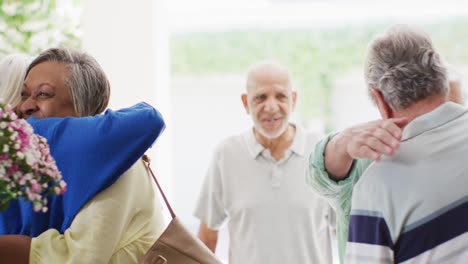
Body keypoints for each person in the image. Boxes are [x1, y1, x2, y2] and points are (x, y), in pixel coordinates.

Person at [306, 37, 466, 264]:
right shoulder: (367, 162)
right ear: (442, 83)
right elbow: (320, 175)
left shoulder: (377, 186)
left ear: (380, 100)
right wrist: (342, 143)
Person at [0, 48, 166, 263]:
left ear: (83, 105)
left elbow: (78, 257)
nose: (26, 106)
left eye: (43, 94)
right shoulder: (47, 165)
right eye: (24, 94)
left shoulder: (117, 162)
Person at [194, 60, 334, 264]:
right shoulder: (226, 154)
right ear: (245, 103)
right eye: (260, 97)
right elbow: (206, 238)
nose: (271, 107)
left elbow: (347, 232)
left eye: (280, 96)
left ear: (293, 100)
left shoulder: (322, 151)